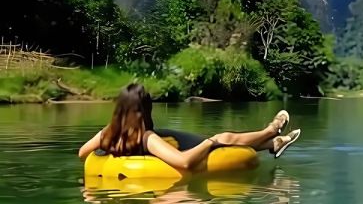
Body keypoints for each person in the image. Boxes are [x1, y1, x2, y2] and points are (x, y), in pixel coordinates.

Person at [77, 83, 301, 170]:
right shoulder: (147, 138)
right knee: (224, 137)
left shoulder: (107, 133)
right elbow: (183, 162)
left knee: (224, 139)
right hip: (188, 150)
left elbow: (82, 153)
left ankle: (274, 142)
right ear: (145, 110)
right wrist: (209, 142)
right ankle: (272, 132)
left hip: (173, 142)